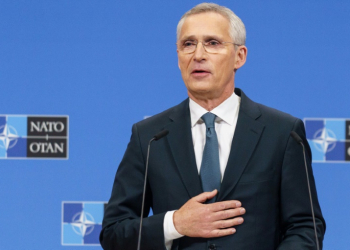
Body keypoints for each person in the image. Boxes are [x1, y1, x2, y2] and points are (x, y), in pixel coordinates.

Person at [100, 3, 326, 250]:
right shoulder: (149, 138)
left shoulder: (283, 133)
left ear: (239, 56)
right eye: (188, 44)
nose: (198, 55)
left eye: (212, 43)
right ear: (178, 57)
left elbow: (305, 228)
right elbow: (114, 233)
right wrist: (174, 223)